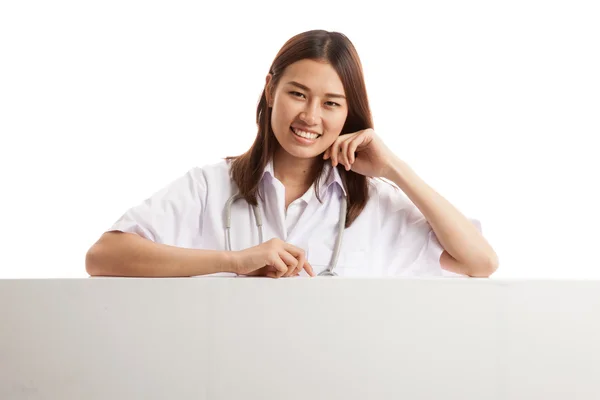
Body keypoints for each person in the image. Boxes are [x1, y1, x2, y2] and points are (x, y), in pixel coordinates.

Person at [85, 29, 498, 279]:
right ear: (270, 91)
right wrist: (235, 260)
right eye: (298, 94)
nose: (310, 117)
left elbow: (480, 262)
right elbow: (103, 257)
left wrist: (395, 169)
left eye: (332, 103)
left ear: (348, 113)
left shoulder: (374, 203)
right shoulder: (210, 186)